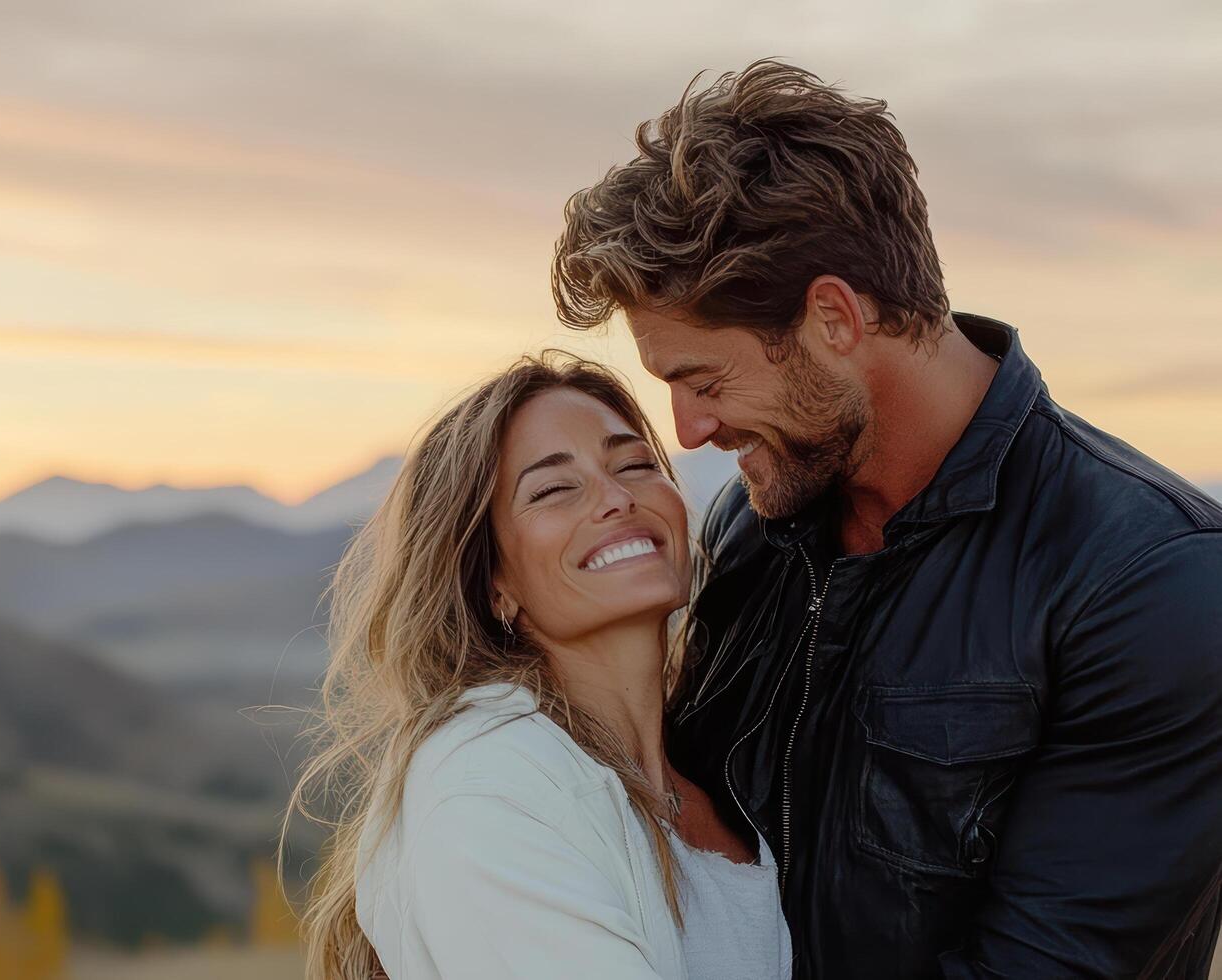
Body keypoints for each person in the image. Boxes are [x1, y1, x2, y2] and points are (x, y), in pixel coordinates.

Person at [552, 59, 1222, 978]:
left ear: (832, 317)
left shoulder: (1150, 580)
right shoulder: (750, 534)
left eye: (703, 382)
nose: (691, 431)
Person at [283, 353, 792, 979]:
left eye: (635, 465)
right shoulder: (492, 778)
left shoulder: (722, 761)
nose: (615, 498)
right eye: (554, 489)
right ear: (494, 582)